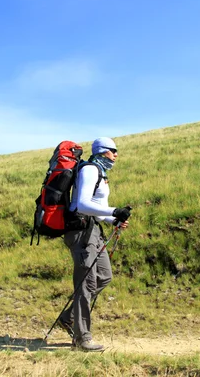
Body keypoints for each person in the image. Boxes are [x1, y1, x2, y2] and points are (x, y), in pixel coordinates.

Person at [57, 137, 131, 351]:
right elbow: (81, 204)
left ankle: (68, 318)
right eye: (113, 151)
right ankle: (82, 339)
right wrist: (113, 211)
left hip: (93, 230)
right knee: (86, 284)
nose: (116, 155)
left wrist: (112, 219)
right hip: (80, 233)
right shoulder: (89, 170)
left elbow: (96, 209)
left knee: (105, 276)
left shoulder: (100, 172)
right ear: (102, 151)